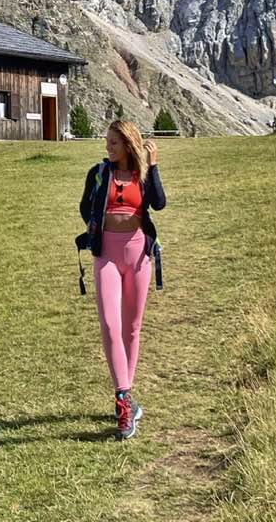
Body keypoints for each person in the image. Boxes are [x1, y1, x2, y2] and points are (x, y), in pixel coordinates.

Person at [78, 120, 167, 439]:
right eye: (107, 142)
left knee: (132, 327)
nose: (107, 147)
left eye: (113, 143)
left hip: (138, 254)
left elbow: (159, 203)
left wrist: (153, 166)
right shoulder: (99, 173)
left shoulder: (142, 175)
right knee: (110, 325)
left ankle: (126, 396)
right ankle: (123, 397)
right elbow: (84, 206)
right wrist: (96, 224)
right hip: (107, 256)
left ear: (128, 143)